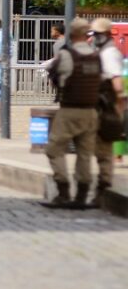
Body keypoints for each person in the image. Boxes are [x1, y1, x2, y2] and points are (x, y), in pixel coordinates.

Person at [43, 18, 101, 208]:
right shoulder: (96, 56)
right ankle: (82, 196)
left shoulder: (67, 55)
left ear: (71, 34)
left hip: (69, 109)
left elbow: (53, 73)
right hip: (91, 111)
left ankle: (63, 191)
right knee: (85, 154)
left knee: (54, 148)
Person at [90, 18, 123, 206]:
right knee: (98, 149)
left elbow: (117, 85)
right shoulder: (102, 51)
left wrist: (117, 109)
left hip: (106, 107)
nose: (95, 37)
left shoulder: (109, 53)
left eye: (98, 34)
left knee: (103, 151)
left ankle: (103, 189)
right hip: (99, 106)